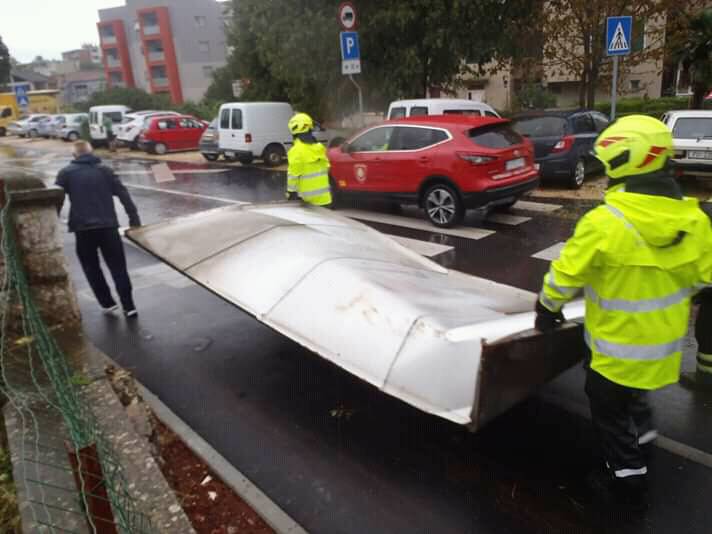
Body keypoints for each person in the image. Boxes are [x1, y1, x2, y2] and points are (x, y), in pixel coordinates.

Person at [534, 115, 712, 508]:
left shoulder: (605, 222)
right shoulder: (696, 221)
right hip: (660, 355)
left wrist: (546, 309)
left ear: (624, 163)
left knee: (610, 418)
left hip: (613, 356)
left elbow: (565, 275)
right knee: (636, 402)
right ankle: (644, 445)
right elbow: (704, 280)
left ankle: (627, 478)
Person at [56, 141, 141, 318]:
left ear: (74, 155)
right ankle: (129, 306)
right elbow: (123, 193)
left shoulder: (66, 173)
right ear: (91, 152)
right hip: (108, 226)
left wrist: (54, 219)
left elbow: (57, 198)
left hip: (82, 228)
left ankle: (107, 303)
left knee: (91, 267)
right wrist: (134, 218)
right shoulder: (105, 171)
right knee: (118, 267)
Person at [286, 113, 332, 206]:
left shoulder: (295, 150)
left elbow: (293, 175)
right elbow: (327, 168)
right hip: (325, 200)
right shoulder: (319, 147)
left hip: (307, 203)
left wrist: (291, 193)